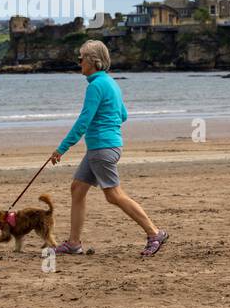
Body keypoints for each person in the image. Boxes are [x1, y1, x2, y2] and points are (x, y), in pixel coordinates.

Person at [50, 39, 167, 257]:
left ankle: (154, 233)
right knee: (77, 189)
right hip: (104, 146)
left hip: (102, 149)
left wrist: (61, 148)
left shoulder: (95, 86)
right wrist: (107, 125)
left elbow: (83, 122)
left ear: (93, 61)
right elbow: (123, 115)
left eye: (81, 58)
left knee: (113, 195)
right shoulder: (111, 83)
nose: (79, 62)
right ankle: (74, 243)